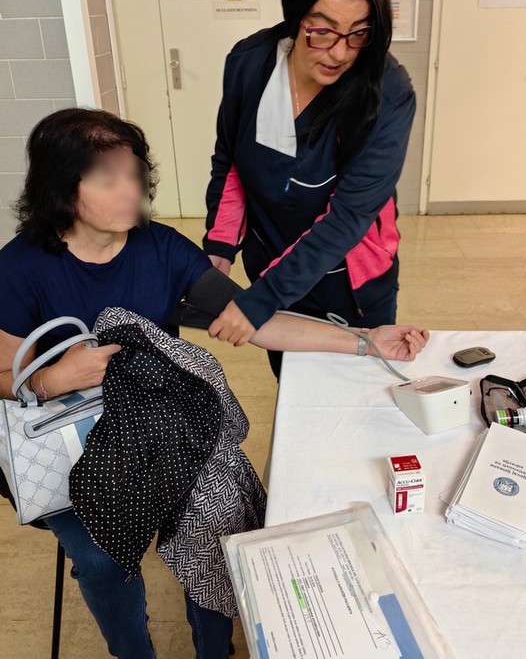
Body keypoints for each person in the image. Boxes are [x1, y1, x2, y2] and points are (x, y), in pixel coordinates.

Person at [0, 108, 429, 659]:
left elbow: (254, 320)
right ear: (61, 187)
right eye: (108, 179)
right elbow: (5, 377)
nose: (130, 191)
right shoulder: (20, 268)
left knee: (222, 514)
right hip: (71, 439)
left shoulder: (160, 247)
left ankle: (215, 649)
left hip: (162, 424)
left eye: (134, 174)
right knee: (103, 557)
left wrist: (366, 339)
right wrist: (55, 377)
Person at [204, 0, 416, 374]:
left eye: (358, 33)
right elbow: (231, 164)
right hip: (272, 268)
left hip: (351, 282)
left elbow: (349, 218)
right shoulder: (249, 65)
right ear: (294, 13)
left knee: (356, 392)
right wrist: (219, 249)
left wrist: (260, 301)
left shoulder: (387, 93)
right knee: (294, 389)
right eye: (321, 31)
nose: (339, 53)